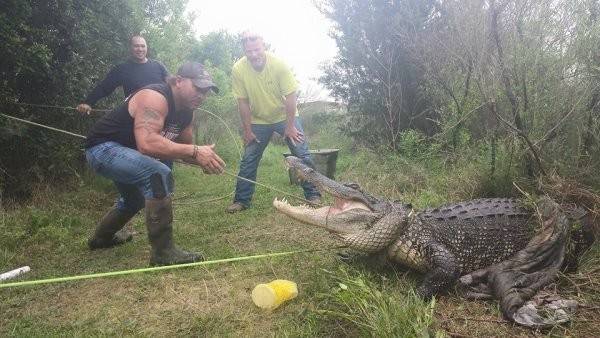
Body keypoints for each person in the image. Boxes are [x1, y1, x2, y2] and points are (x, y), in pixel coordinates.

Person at [85, 61, 225, 266]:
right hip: (102, 149)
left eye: (206, 91)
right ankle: (163, 253)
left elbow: (182, 149)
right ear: (178, 81)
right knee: (158, 173)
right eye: (198, 88)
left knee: (134, 200)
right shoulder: (155, 97)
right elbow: (148, 143)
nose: (202, 95)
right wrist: (195, 151)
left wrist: (203, 158)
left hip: (128, 155)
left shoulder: (188, 112)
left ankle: (101, 238)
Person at [226, 32, 321, 213]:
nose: (253, 55)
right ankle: (241, 201)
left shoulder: (278, 64)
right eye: (249, 51)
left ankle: (313, 195)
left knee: (301, 153)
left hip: (285, 116)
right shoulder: (238, 69)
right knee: (248, 159)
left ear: (264, 47)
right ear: (244, 51)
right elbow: (242, 102)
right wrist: (247, 130)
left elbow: (291, 96)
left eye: (257, 49)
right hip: (258, 119)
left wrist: (290, 126)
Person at [77, 35, 169, 114]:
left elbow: (172, 87)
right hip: (135, 117)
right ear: (130, 48)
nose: (140, 49)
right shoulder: (122, 69)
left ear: (147, 48)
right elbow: (104, 88)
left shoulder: (158, 66)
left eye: (143, 46)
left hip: (161, 115)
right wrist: (88, 103)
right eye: (136, 46)